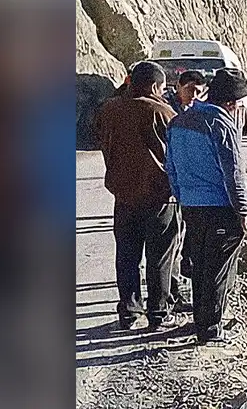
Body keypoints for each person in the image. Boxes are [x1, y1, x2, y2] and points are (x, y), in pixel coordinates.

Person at [165, 68, 247, 344]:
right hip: (220, 208)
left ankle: (202, 321)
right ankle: (211, 330)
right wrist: (243, 211)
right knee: (218, 270)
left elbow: (171, 168)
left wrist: (182, 197)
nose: (239, 110)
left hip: (191, 206)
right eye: (239, 105)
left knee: (201, 265)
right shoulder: (222, 125)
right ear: (230, 103)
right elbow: (233, 172)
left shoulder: (179, 122)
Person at [95, 61, 183, 331]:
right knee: (160, 257)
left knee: (127, 255)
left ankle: (129, 312)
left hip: (123, 195)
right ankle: (159, 312)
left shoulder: (109, 109)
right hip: (159, 196)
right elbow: (176, 154)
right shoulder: (163, 111)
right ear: (156, 86)